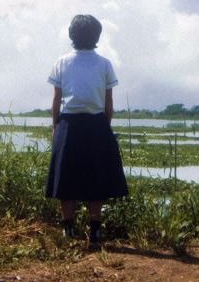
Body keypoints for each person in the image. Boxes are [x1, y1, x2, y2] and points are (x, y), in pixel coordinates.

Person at [45, 14, 129, 248]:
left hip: (69, 124)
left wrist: (55, 127)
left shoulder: (62, 62)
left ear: (72, 36)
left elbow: (56, 99)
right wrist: (105, 127)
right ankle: (95, 230)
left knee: (65, 177)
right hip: (96, 123)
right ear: (97, 36)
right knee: (97, 176)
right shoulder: (104, 63)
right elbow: (108, 102)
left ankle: (68, 228)